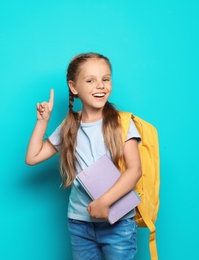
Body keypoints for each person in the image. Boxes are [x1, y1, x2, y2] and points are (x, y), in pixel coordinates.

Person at [25, 52, 142, 260]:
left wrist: (104, 202)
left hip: (118, 223)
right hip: (79, 223)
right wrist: (42, 121)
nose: (100, 86)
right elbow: (33, 157)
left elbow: (135, 171)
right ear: (74, 87)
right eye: (90, 80)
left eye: (105, 79)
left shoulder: (123, 124)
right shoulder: (69, 126)